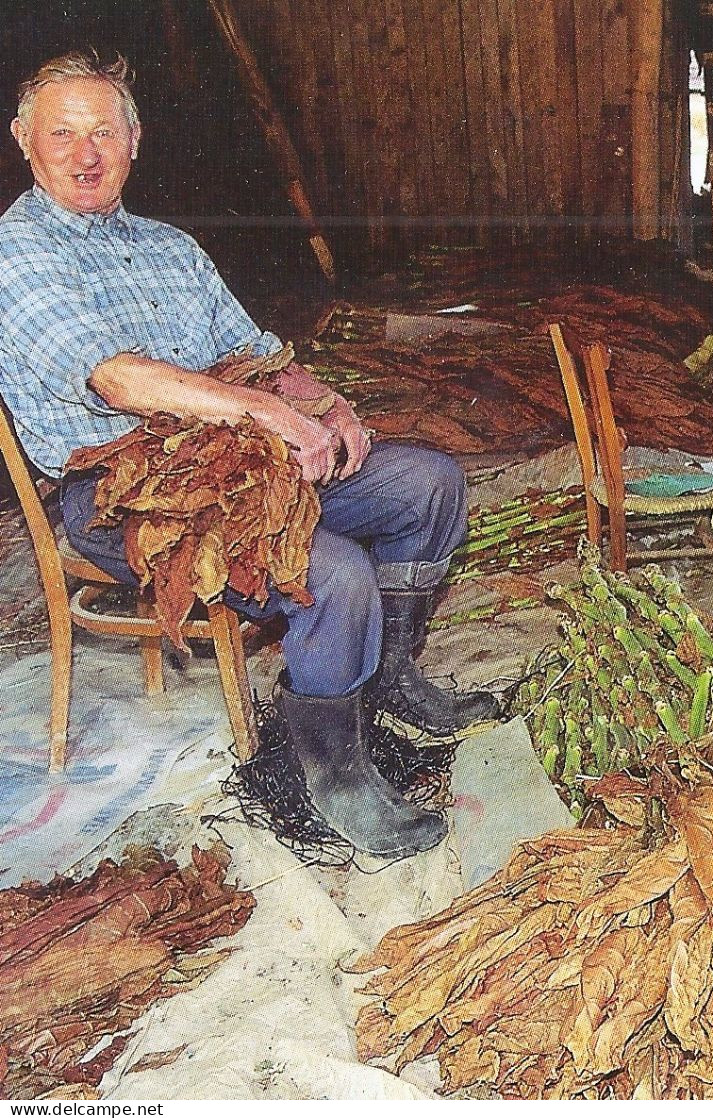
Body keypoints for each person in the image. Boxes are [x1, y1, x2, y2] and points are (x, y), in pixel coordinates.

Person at [0, 51, 500, 859]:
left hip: (233, 465)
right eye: (62, 133)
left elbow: (255, 352)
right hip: (124, 496)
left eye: (104, 132)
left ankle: (393, 679)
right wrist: (266, 411)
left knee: (427, 482)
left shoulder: (169, 247)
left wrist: (329, 405)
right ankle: (331, 777)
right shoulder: (16, 252)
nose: (85, 153)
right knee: (330, 570)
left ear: (136, 141)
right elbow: (118, 381)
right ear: (24, 141)